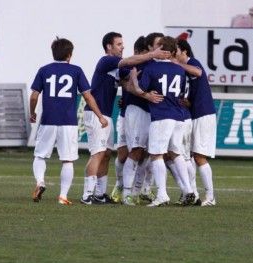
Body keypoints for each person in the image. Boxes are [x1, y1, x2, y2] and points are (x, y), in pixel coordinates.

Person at [81, 32, 167, 205]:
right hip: (95, 113)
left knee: (106, 154)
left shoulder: (117, 70)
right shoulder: (106, 60)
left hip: (106, 114)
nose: (122, 47)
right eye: (119, 44)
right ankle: (86, 194)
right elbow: (128, 62)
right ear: (109, 47)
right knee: (97, 153)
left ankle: (99, 193)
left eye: (122, 44)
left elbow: (129, 84)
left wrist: (145, 94)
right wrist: (151, 54)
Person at [30, 38, 107, 205]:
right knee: (68, 159)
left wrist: (32, 113)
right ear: (69, 55)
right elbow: (87, 96)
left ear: (53, 53)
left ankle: (40, 182)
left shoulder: (44, 70)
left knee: (40, 155)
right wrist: (100, 116)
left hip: (48, 120)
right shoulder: (76, 71)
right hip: (68, 121)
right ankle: (63, 196)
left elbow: (34, 95)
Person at [127, 36, 196, 206]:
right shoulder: (179, 70)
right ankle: (189, 190)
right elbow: (180, 93)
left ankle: (162, 194)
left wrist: (134, 78)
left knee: (156, 154)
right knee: (175, 152)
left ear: (162, 50)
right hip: (178, 116)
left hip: (162, 115)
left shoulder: (152, 68)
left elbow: (140, 89)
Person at [176, 39, 217, 206]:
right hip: (196, 114)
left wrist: (176, 64)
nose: (174, 55)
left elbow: (198, 72)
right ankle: (193, 193)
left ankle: (211, 197)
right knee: (191, 156)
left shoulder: (193, 63)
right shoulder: (184, 73)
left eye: (176, 52)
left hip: (204, 115)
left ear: (185, 52)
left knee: (199, 156)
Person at [110, 35, 149, 203]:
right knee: (123, 155)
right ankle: (120, 185)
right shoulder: (128, 65)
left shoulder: (148, 67)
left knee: (144, 154)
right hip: (126, 115)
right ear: (138, 52)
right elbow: (119, 81)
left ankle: (137, 190)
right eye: (146, 52)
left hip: (144, 115)